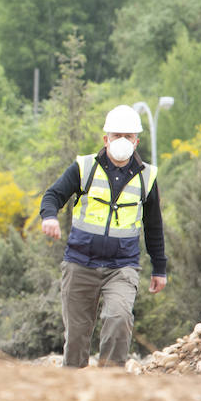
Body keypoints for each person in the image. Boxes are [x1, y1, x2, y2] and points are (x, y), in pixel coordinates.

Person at [39, 104, 168, 368]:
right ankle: (72, 391)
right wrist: (49, 217)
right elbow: (53, 195)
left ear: (137, 141)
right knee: (76, 336)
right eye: (117, 135)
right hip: (79, 263)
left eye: (128, 136)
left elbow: (153, 225)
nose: (122, 141)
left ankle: (110, 386)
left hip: (122, 266)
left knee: (119, 318)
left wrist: (160, 268)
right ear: (105, 138)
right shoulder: (84, 167)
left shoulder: (147, 177)